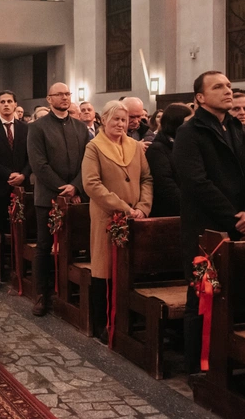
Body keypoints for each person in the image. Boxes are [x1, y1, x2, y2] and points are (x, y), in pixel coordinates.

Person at [173, 70, 245, 375]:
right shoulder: (190, 132)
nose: (227, 90)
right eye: (218, 87)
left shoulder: (240, 131)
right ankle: (196, 368)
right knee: (200, 295)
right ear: (200, 97)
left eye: (228, 85)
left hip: (239, 224)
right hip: (205, 229)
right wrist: (234, 217)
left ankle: (226, 361)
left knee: (233, 294)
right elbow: (196, 182)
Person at [82, 100, 153, 343]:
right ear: (103, 120)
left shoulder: (134, 145)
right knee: (105, 269)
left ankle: (126, 321)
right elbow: (91, 184)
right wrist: (123, 207)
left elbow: (146, 178)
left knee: (127, 267)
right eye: (116, 119)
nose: (121, 124)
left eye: (124, 120)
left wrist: (143, 207)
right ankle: (103, 324)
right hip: (106, 216)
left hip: (136, 216)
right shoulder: (94, 147)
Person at [27, 82, 89, 316]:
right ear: (49, 99)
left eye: (67, 94)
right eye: (59, 94)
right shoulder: (38, 127)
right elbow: (38, 163)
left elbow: (87, 160)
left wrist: (76, 185)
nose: (64, 97)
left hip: (75, 196)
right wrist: (61, 187)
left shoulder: (80, 128)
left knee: (75, 245)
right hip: (48, 197)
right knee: (44, 246)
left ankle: (69, 294)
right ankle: (42, 294)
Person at [0, 90, 31, 290]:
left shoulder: (26, 129)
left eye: (9, 101)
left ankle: (19, 269)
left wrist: (24, 175)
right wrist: (9, 174)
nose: (6, 105)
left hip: (22, 186)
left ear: (15, 104)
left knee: (22, 228)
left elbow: (32, 157)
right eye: (2, 102)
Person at [146, 103, 193, 217]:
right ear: (175, 123)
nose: (192, 126)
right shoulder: (157, 149)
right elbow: (165, 186)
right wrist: (190, 207)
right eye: (188, 122)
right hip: (169, 214)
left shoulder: (186, 145)